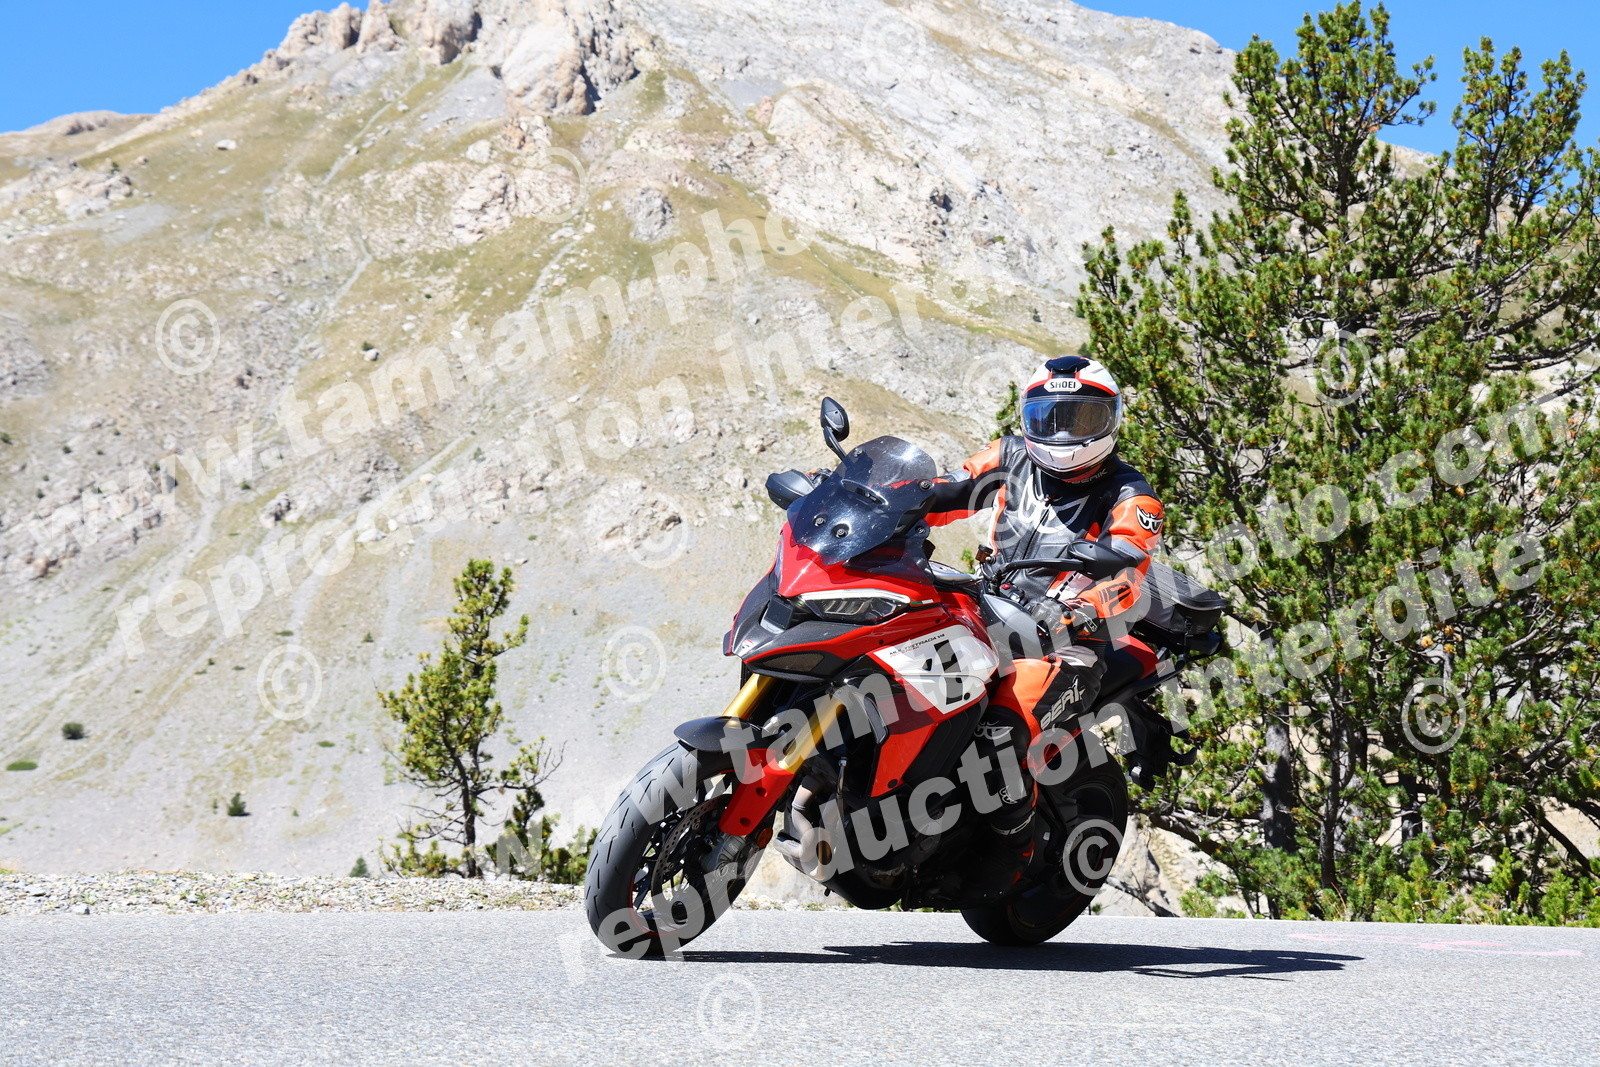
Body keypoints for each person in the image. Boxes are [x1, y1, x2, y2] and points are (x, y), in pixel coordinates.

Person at [927, 354, 1165, 735]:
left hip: (1065, 644)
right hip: (985, 606)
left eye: (1081, 419)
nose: (1062, 433)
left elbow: (1126, 580)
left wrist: (1073, 613)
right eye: (1050, 417)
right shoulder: (1009, 454)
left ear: (1110, 418)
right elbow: (945, 490)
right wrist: (880, 498)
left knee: (999, 738)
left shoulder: (1132, 497)